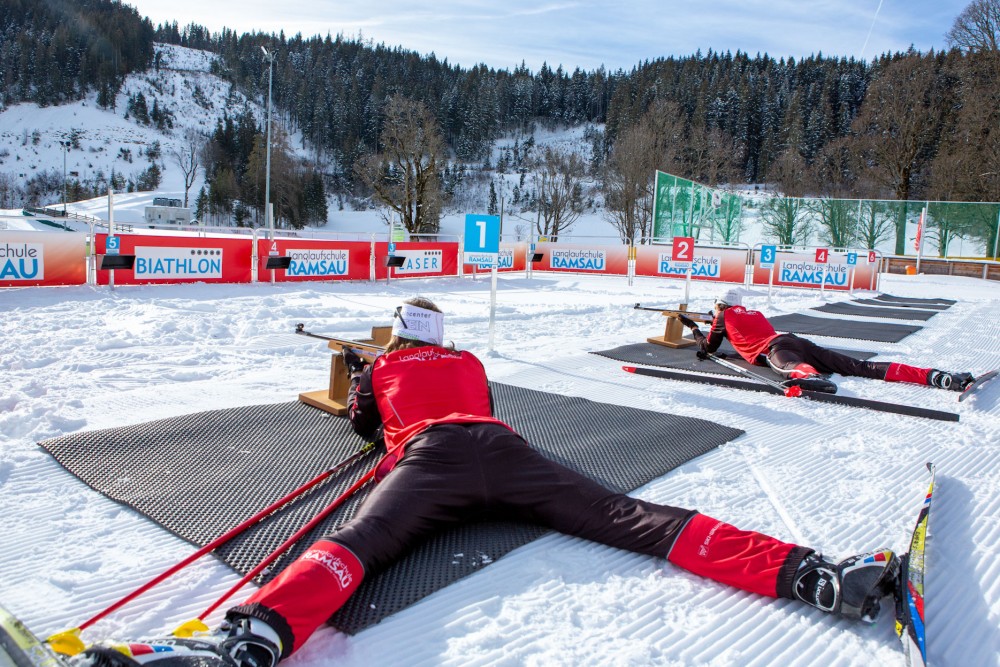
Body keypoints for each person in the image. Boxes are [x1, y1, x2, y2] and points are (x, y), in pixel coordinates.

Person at [79, 297, 901, 667]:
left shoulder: (391, 362)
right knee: (637, 516)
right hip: (502, 449)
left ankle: (252, 636)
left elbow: (364, 425)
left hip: (430, 459)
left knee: (358, 543)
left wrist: (372, 373)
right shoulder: (468, 358)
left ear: (399, 335)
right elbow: (472, 400)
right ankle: (813, 574)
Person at [678, 289, 975, 391]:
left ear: (719, 306)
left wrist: (693, 327)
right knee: (859, 366)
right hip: (792, 338)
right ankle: (935, 376)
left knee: (790, 368)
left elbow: (707, 349)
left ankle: (813, 378)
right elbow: (741, 328)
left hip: (777, 349)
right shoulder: (754, 313)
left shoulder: (722, 317)